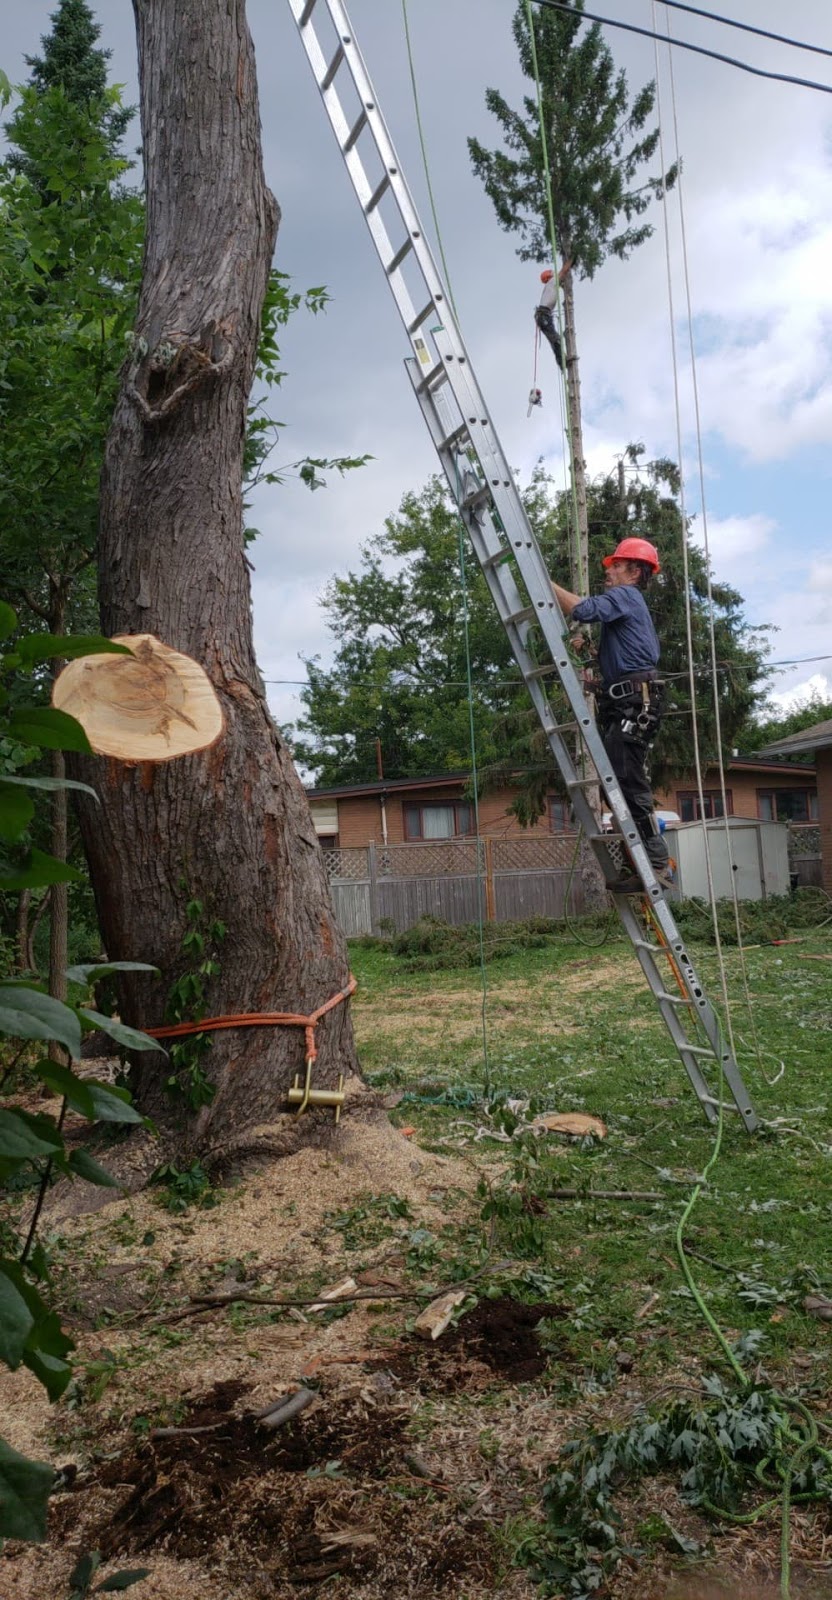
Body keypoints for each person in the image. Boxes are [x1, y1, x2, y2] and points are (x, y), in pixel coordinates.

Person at [551, 538, 672, 892]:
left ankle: (657, 864)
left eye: (616, 565)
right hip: (627, 701)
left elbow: (584, 610)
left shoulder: (626, 596)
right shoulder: (625, 607)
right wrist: (592, 656)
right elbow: (622, 658)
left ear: (635, 572)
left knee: (628, 781)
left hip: (635, 702)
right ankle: (639, 861)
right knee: (615, 783)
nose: (609, 570)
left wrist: (546, 585)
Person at [534, 260, 572, 371]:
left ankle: (562, 361)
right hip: (544, 315)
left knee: (555, 339)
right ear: (550, 276)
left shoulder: (551, 285)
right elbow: (564, 271)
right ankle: (562, 362)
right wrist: (571, 259)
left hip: (543, 316)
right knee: (555, 339)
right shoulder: (552, 281)